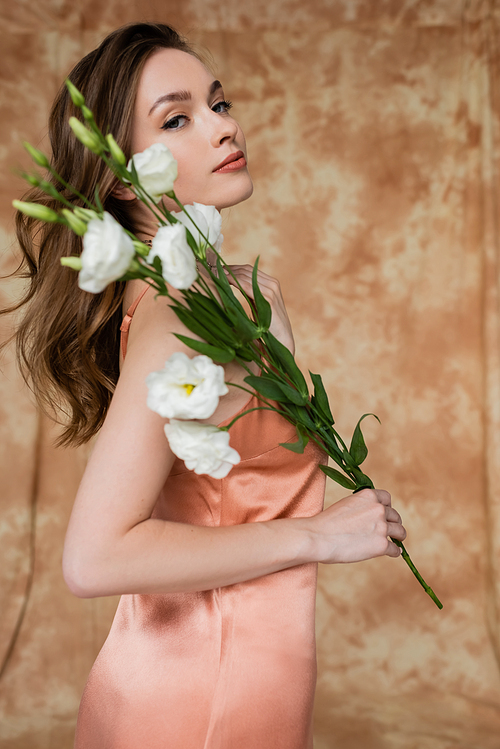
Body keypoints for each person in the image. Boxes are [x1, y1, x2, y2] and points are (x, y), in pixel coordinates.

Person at [9, 22, 406, 749]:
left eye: (218, 103)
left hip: (258, 683)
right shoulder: (170, 316)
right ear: (120, 178)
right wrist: (321, 533)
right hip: (194, 703)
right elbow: (94, 557)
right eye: (178, 118)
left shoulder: (250, 292)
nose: (223, 127)